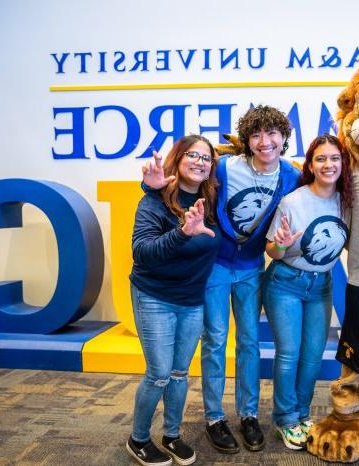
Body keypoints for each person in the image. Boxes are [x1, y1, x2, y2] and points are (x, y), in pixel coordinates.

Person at [142, 105, 300, 454]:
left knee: (249, 341)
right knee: (214, 340)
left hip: (251, 267)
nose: (265, 141)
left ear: (284, 138)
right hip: (212, 265)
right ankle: (214, 417)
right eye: (256, 134)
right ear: (246, 140)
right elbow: (181, 183)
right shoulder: (224, 167)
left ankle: (247, 414)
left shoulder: (291, 175)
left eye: (272, 133)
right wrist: (147, 186)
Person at [127, 134, 220, 466]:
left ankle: (171, 434)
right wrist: (182, 232)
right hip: (155, 296)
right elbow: (143, 254)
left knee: (180, 373)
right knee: (159, 373)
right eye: (192, 155)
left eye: (206, 158)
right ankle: (138, 439)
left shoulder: (212, 198)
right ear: (178, 160)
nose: (199, 162)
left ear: (212, 167)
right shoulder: (156, 200)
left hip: (192, 299)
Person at [262, 135, 353, 449]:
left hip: (321, 286)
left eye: (335, 158)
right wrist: (283, 244)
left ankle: (301, 414)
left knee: (313, 356)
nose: (328, 165)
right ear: (311, 165)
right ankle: (285, 419)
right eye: (321, 159)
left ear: (343, 163)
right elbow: (272, 251)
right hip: (285, 282)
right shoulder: (293, 201)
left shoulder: (347, 201)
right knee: (290, 353)